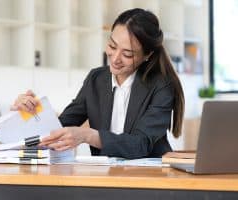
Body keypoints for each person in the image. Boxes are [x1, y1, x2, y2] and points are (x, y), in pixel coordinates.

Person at [11, 8, 185, 159]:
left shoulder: (161, 85)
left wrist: (88, 135)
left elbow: (140, 145)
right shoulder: (96, 79)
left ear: (147, 55)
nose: (115, 58)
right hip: (105, 175)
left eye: (128, 54)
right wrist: (31, 113)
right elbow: (58, 128)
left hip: (151, 177)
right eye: (112, 45)